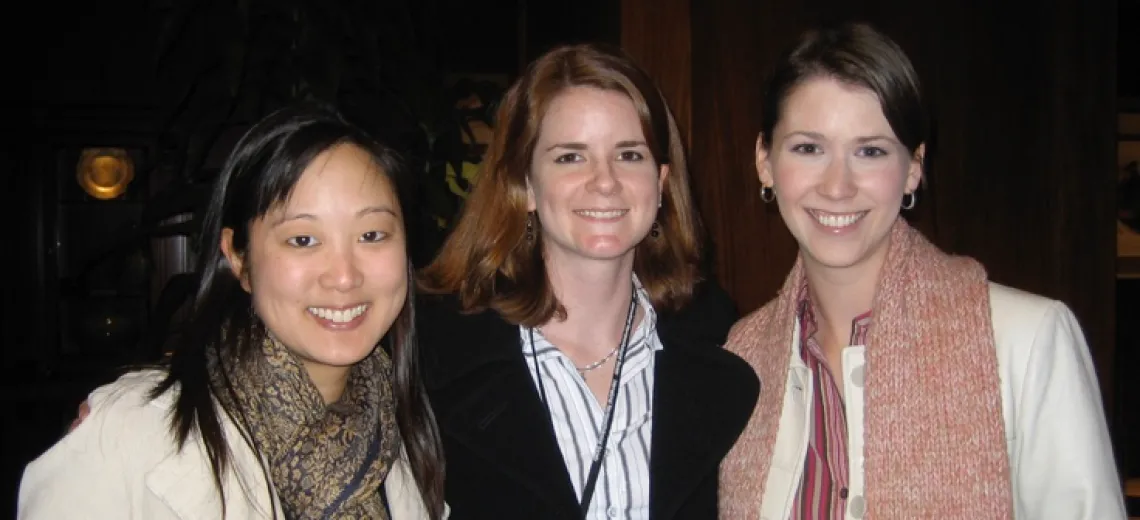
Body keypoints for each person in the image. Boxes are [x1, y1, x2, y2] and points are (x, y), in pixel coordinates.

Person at [717, 22, 1127, 519]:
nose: (837, 185)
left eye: (870, 151)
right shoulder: (742, 358)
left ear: (913, 167)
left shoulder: (1026, 339)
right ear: (765, 160)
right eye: (809, 148)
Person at [19, 102, 448, 519]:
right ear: (238, 258)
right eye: (303, 239)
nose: (343, 276)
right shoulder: (129, 436)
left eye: (372, 234)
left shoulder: (403, 441)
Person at [416, 43, 760, 519]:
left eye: (629, 154)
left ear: (660, 183)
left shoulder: (722, 344)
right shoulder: (433, 356)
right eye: (570, 157)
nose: (605, 181)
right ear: (526, 186)